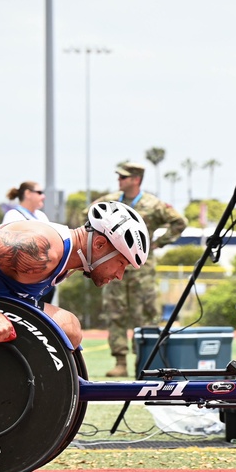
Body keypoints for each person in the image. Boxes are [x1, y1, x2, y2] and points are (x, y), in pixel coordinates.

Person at [0, 200, 150, 349]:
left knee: (69, 327)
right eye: (121, 263)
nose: (119, 275)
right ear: (98, 245)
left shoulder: (69, 260)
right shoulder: (42, 248)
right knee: (67, 328)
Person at [95, 162, 187, 377]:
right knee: (114, 312)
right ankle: (120, 362)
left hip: (141, 269)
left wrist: (156, 243)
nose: (119, 180)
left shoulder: (153, 204)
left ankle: (143, 360)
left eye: (124, 177)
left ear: (136, 179)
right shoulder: (109, 202)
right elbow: (88, 215)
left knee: (144, 314)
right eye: (119, 177)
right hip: (112, 265)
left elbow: (179, 222)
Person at [0, 180, 54, 305]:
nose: (43, 196)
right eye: (39, 192)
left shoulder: (41, 216)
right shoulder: (13, 215)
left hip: (43, 277)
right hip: (25, 278)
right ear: (28, 193)